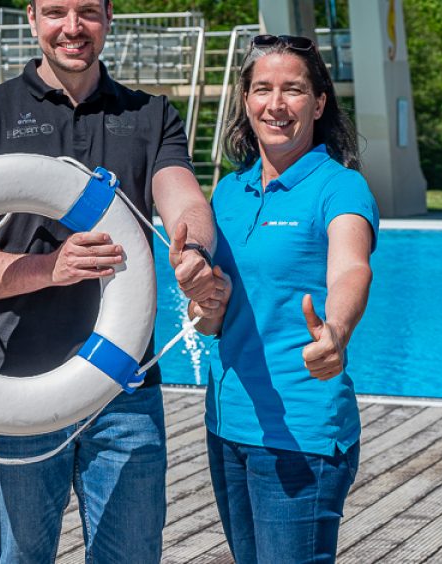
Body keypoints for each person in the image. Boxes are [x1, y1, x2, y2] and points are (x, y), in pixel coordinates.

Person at [0, 0, 229, 561]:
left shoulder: (150, 114)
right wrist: (49, 268)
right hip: (14, 390)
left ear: (109, 17)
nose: (72, 27)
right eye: (57, 11)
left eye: (88, 11)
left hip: (124, 393)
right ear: (31, 17)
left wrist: (195, 249)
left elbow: (182, 194)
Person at [190, 34, 379, 563]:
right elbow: (212, 315)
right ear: (245, 101)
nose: (276, 105)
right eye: (262, 89)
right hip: (227, 424)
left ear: (318, 103)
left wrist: (336, 332)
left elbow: (351, 268)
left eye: (293, 90)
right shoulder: (228, 192)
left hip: (301, 432)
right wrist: (204, 307)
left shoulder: (339, 188)